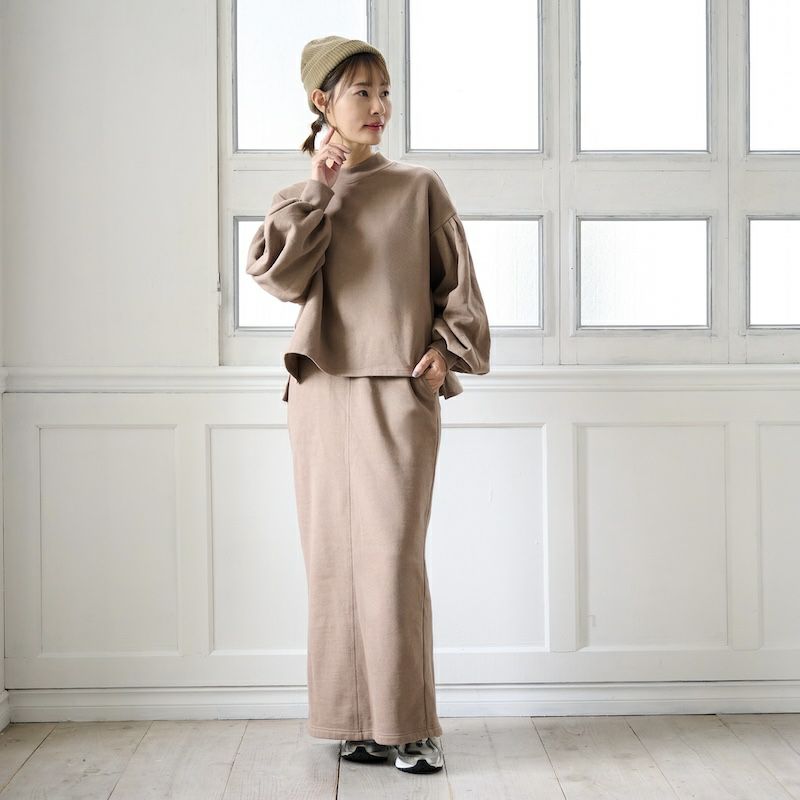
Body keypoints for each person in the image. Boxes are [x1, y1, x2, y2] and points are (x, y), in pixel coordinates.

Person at [245, 35, 491, 775]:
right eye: (363, 92)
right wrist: (319, 189)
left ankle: (408, 726)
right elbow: (281, 278)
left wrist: (443, 351)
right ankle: (355, 722)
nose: (380, 106)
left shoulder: (418, 188)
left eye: (385, 92)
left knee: (390, 560)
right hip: (320, 394)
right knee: (332, 563)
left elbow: (460, 290)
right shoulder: (299, 197)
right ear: (322, 101)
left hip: (397, 389)